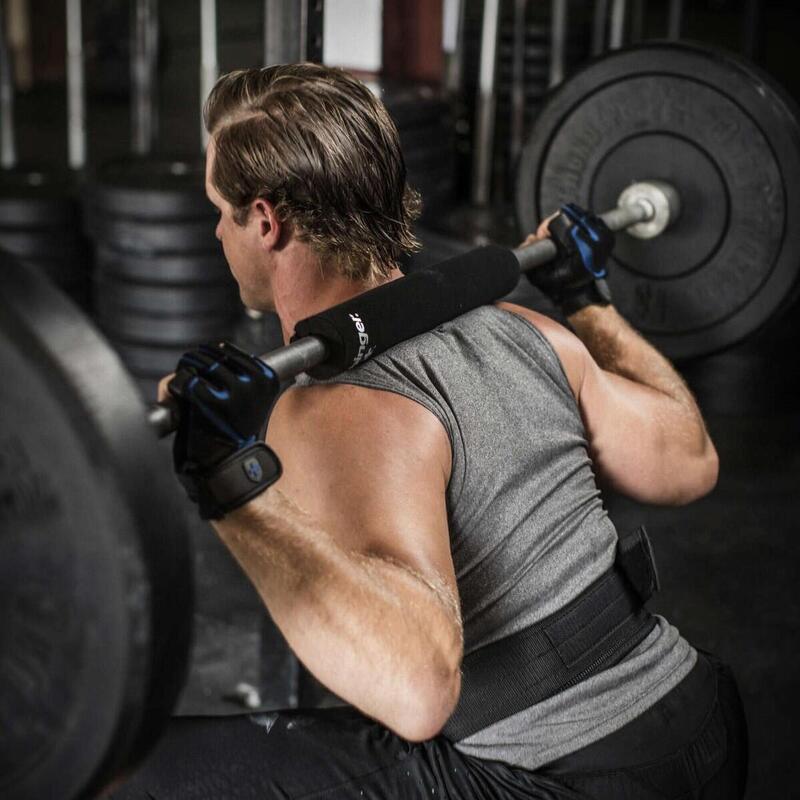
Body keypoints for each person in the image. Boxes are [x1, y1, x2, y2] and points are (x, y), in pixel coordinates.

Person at [117, 63, 747, 799]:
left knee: (128, 772)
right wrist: (587, 300)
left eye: (220, 211)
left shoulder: (335, 411)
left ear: (264, 221)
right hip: (704, 728)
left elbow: (417, 693)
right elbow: (689, 461)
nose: (218, 230)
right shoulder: (527, 330)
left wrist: (230, 482)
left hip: (560, 781)